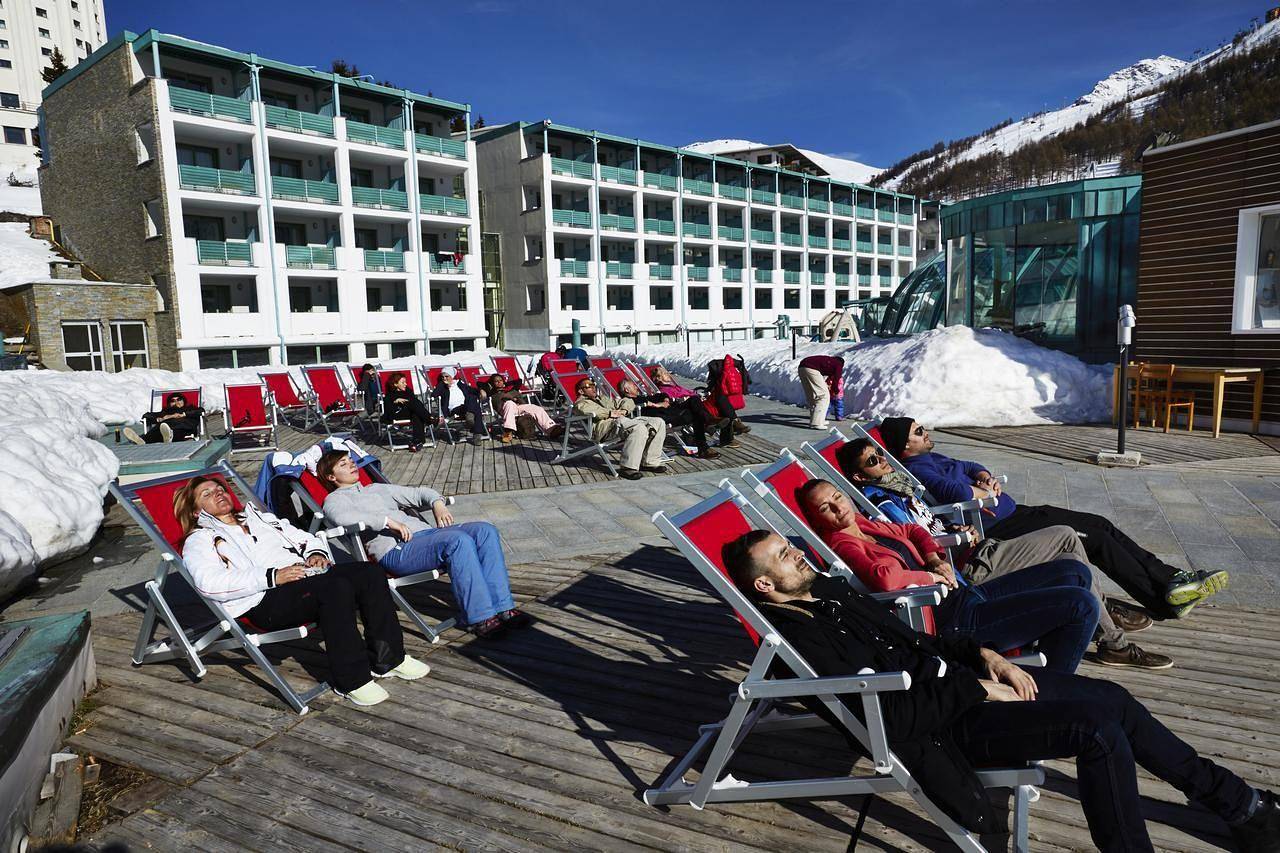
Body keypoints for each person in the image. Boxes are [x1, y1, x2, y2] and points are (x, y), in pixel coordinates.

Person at [722, 529, 1280, 852]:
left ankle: (1241, 806)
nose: (797, 552)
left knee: (1114, 699)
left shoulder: (834, 595)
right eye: (782, 557)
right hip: (943, 726)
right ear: (765, 586)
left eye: (789, 546)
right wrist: (978, 689)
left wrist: (986, 657)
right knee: (1098, 732)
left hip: (965, 689)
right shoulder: (803, 639)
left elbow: (923, 646)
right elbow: (889, 723)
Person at [836, 437, 1173, 670]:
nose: (882, 462)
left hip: (976, 550)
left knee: (1073, 554)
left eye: (880, 454)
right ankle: (1112, 640)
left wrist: (948, 530)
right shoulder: (883, 502)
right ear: (857, 475)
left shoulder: (903, 488)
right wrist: (944, 546)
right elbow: (911, 543)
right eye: (873, 461)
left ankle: (1106, 628)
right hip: (970, 567)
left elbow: (920, 528)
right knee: (1068, 539)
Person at [879, 417, 1229, 620]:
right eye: (918, 431)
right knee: (1096, 540)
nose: (926, 432)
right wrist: (986, 494)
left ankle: (1169, 581)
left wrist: (984, 475)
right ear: (905, 447)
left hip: (1020, 513)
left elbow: (969, 468)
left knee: (1099, 523)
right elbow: (957, 494)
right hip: (1003, 529)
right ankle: (1164, 597)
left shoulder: (935, 456)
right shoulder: (918, 467)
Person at [173, 474, 430, 707]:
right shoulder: (200, 540)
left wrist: (316, 552)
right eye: (207, 494)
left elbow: (303, 537)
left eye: (220, 489)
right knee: (335, 588)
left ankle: (389, 659)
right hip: (262, 600)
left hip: (303, 577)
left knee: (369, 573)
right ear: (195, 511)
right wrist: (272, 577)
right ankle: (352, 680)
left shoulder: (259, 517)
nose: (218, 493)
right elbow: (209, 583)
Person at [797, 478, 1099, 673]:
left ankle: (1041, 664)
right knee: (1080, 604)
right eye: (826, 507)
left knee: (1074, 571)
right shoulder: (842, 544)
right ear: (816, 518)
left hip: (967, 595)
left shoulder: (863, 524)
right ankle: (1052, 689)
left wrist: (933, 558)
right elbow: (885, 580)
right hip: (955, 622)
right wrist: (930, 579)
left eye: (838, 496)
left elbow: (912, 529)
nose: (839, 507)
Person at [316, 451, 530, 638]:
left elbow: (419, 493)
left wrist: (437, 503)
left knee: (485, 530)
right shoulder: (334, 501)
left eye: (350, 460)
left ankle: (503, 607)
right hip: (396, 551)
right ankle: (480, 618)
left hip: (426, 537)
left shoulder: (377, 489)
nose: (352, 464)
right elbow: (343, 518)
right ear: (331, 476)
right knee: (458, 541)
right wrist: (388, 522)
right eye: (343, 464)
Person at [572, 376, 666, 480]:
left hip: (620, 422)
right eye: (588, 386)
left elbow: (626, 401)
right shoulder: (580, 403)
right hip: (605, 428)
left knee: (658, 422)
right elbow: (590, 411)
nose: (593, 387)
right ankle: (627, 468)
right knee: (638, 427)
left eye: (593, 385)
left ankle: (649, 462)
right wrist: (610, 413)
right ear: (581, 391)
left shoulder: (602, 398)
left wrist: (624, 410)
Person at [617, 377, 719, 460]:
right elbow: (637, 408)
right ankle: (705, 440)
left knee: (694, 399)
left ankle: (708, 423)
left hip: (671, 410)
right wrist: (657, 405)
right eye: (633, 385)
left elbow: (661, 394)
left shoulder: (642, 396)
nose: (636, 386)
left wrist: (665, 400)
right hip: (663, 417)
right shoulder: (628, 401)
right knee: (695, 415)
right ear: (626, 390)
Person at [650, 365, 737, 454]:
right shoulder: (663, 390)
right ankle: (724, 426)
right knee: (702, 403)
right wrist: (693, 396)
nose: (668, 374)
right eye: (665, 373)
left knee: (720, 395)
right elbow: (671, 401)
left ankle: (728, 422)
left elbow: (690, 392)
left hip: (697, 404)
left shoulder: (674, 386)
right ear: (659, 378)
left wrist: (698, 394)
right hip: (685, 407)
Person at [485, 373, 563, 444]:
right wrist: (511, 397)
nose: (499, 382)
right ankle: (507, 432)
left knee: (536, 408)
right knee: (509, 403)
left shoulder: (508, 390)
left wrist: (505, 385)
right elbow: (480, 384)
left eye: (501, 380)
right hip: (504, 408)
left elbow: (519, 381)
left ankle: (552, 429)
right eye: (496, 381)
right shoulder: (492, 393)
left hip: (517, 407)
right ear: (492, 383)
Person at [433, 367, 488, 445]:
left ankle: (470, 417)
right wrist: (443, 384)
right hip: (455, 409)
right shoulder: (442, 387)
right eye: (443, 377)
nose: (444, 378)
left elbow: (472, 390)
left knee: (472, 397)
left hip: (466, 405)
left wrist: (481, 390)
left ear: (452, 376)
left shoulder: (459, 384)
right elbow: (434, 394)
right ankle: (477, 431)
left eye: (446, 376)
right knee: (475, 406)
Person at [124, 392, 204, 445]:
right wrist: (159, 419)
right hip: (164, 429)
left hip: (184, 429)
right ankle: (142, 440)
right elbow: (146, 416)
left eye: (179, 399)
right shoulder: (166, 412)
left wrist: (183, 414)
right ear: (170, 404)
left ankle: (166, 436)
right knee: (160, 428)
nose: (176, 402)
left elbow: (201, 411)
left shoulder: (190, 408)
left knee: (168, 428)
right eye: (173, 401)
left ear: (183, 401)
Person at [382, 371, 433, 452]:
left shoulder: (408, 391)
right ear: (395, 384)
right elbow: (388, 410)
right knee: (412, 402)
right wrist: (395, 401)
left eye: (405, 382)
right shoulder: (390, 395)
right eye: (403, 382)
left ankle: (416, 442)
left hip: (408, 413)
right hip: (396, 414)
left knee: (416, 414)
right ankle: (430, 418)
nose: (405, 384)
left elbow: (416, 404)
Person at [705, 355, 748, 445]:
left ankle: (729, 434)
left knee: (723, 403)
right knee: (722, 401)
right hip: (690, 403)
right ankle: (733, 425)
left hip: (696, 397)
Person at [797, 354, 844, 430]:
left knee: (812, 396)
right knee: (823, 396)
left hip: (802, 367)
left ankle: (817, 419)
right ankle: (817, 423)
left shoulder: (828, 362)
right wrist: (836, 391)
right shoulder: (838, 364)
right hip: (811, 369)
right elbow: (836, 380)